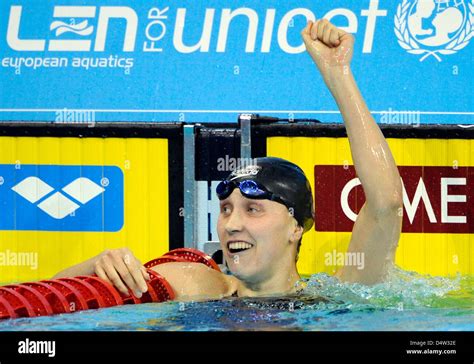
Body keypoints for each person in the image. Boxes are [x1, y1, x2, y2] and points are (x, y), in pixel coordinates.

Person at [53, 19, 403, 300]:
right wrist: (94, 266)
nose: (231, 224)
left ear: (297, 227)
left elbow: (386, 203)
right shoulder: (204, 286)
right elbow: (37, 304)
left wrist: (338, 74)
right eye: (225, 209)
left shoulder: (336, 297)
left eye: (253, 209)